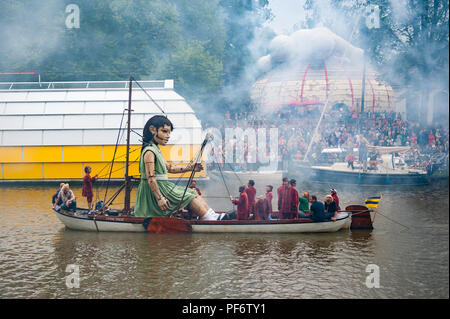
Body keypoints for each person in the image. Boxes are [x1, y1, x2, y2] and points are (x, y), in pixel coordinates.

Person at [134, 115, 232, 220]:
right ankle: (209, 218)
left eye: (169, 132)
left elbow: (170, 168)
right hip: (155, 190)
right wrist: (160, 199)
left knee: (192, 192)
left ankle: (211, 215)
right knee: (187, 196)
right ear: (153, 130)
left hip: (163, 186)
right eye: (164, 131)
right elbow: (151, 178)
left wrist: (191, 168)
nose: (168, 136)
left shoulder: (156, 149)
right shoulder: (149, 152)